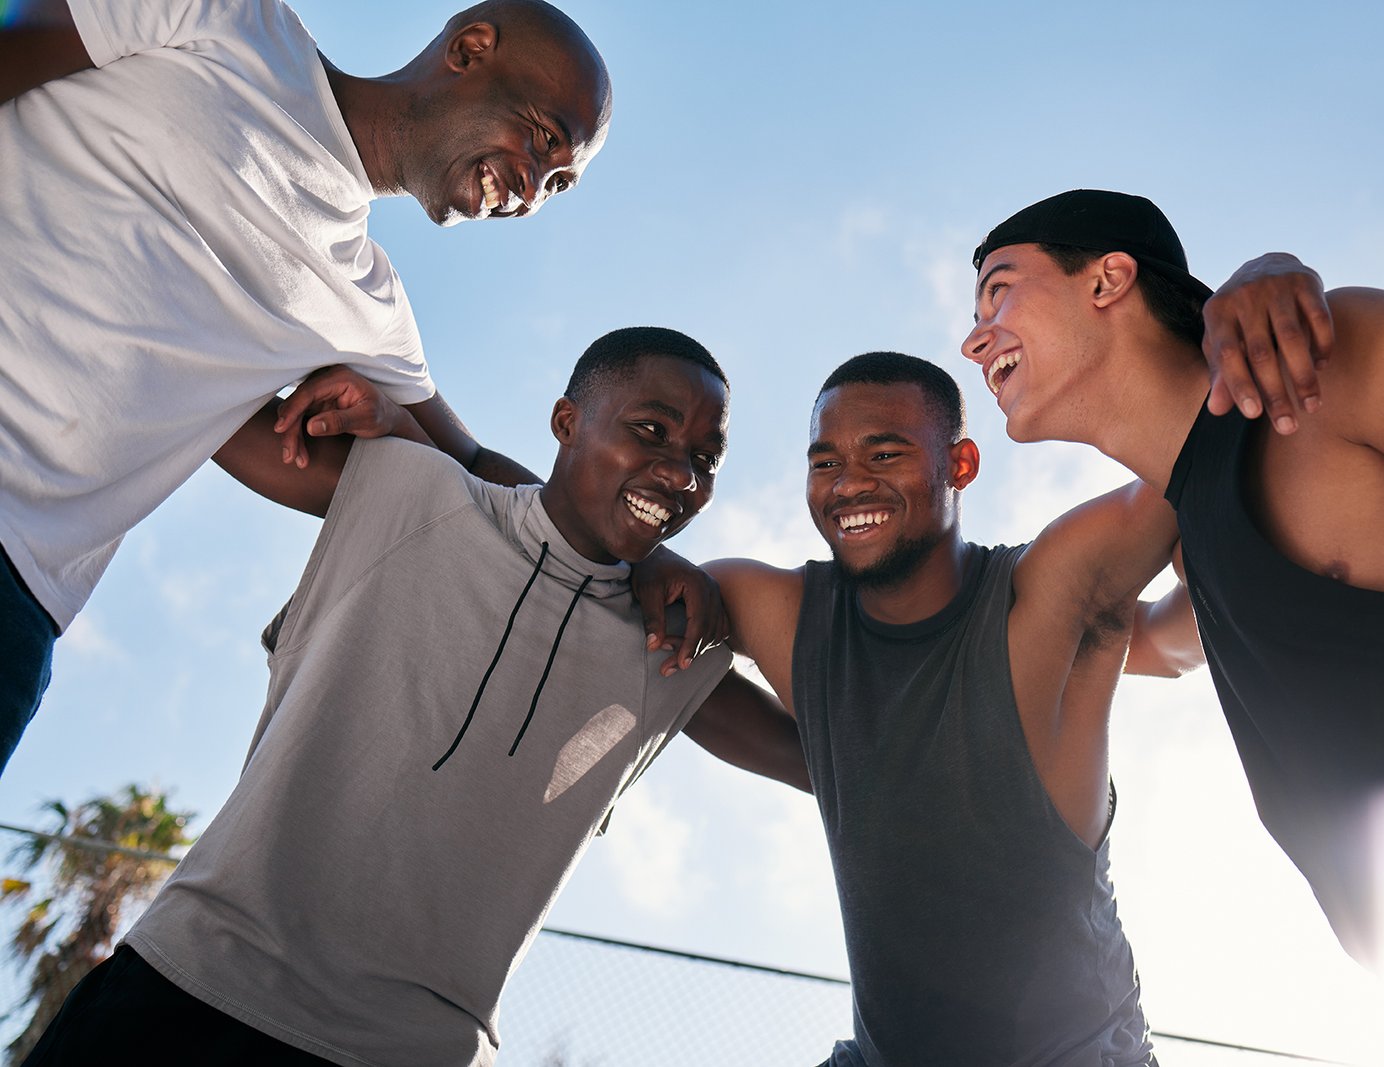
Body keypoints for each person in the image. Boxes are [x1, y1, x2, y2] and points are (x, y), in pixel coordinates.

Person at [20, 328, 809, 1066]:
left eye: (705, 458)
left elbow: (836, 757)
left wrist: (749, 603)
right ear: (566, 422)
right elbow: (195, 396)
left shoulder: (670, 646)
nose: (681, 473)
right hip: (189, 988)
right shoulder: (407, 486)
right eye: (652, 431)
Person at [962, 188, 1384, 1056]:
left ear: (1108, 279)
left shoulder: (1336, 370)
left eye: (999, 292)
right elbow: (1140, 642)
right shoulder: (1197, 545)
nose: (975, 339)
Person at [0, 0, 615, 772]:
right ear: (469, 49)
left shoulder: (368, 307)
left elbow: (480, 478)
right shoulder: (225, 18)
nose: (531, 192)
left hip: (18, 590)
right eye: (545, 139)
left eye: (557, 185)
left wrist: (643, 570)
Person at [697, 352, 1182, 1067]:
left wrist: (1237, 309)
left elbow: (1191, 459)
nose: (848, 483)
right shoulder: (781, 611)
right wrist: (828, 766)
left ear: (960, 464)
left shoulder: (1040, 596)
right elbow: (642, 632)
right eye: (825, 462)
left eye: (883, 454)